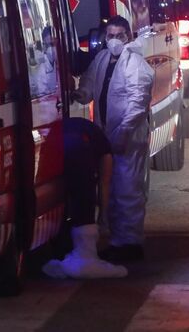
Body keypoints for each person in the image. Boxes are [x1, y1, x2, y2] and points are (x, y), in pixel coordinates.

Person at [73, 16, 155, 263]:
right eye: (110, 35)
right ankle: (118, 241)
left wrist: (124, 132)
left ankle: (130, 243)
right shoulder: (101, 60)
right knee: (112, 190)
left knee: (128, 190)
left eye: (119, 35)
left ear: (128, 36)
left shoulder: (136, 64)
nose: (115, 40)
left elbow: (137, 102)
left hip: (128, 141)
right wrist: (78, 93)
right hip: (107, 137)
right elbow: (89, 86)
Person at [42, 117, 127, 279]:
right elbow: (104, 184)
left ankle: (64, 243)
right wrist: (103, 216)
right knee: (84, 192)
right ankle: (84, 254)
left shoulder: (92, 133)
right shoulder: (104, 149)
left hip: (54, 138)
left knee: (62, 189)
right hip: (78, 144)